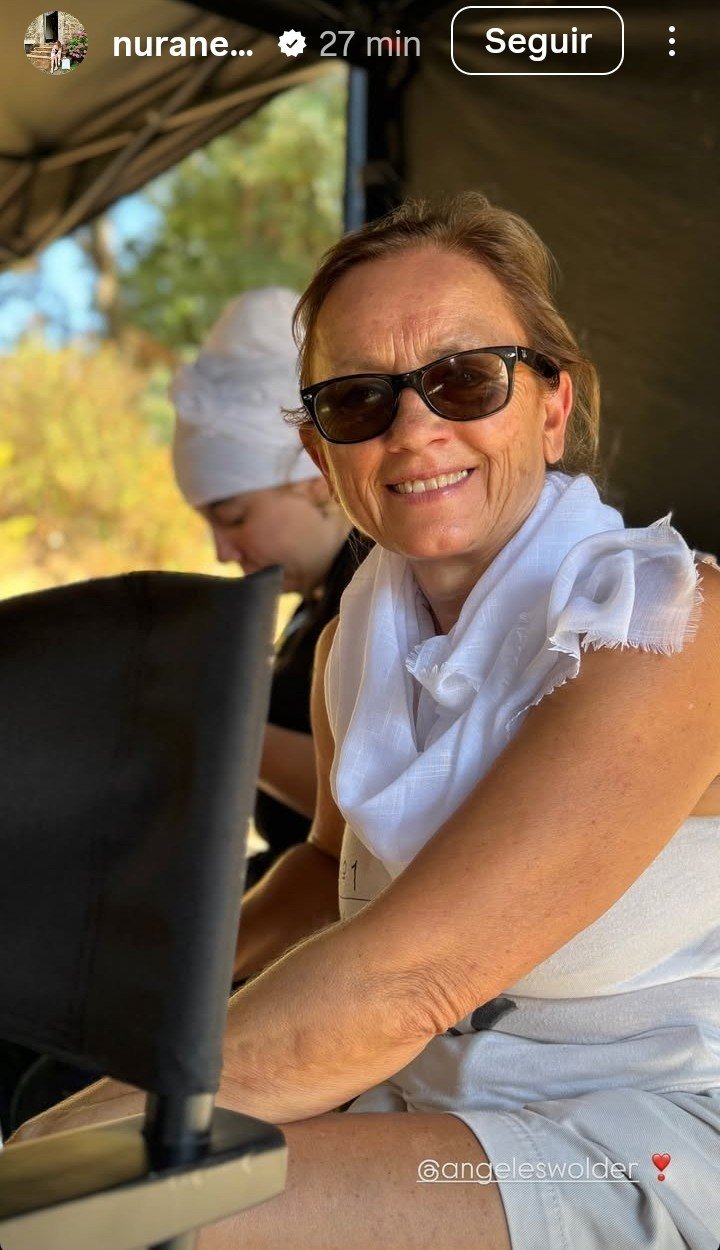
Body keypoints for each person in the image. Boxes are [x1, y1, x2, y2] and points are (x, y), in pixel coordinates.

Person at [12, 194, 720, 1250]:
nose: (414, 428)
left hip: (643, 1135)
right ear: (321, 451)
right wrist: (152, 991)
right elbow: (324, 868)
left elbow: (412, 977)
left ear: (552, 407)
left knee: (104, 1207)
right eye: (357, 400)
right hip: (429, 1107)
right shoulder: (357, 641)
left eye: (465, 378)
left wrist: (49, 1157)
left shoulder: (664, 626)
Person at [171, 287, 371, 903]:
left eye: (233, 517)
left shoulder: (378, 589)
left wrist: (217, 720)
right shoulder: (314, 603)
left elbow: (371, 807)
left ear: (314, 478)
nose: (222, 551)